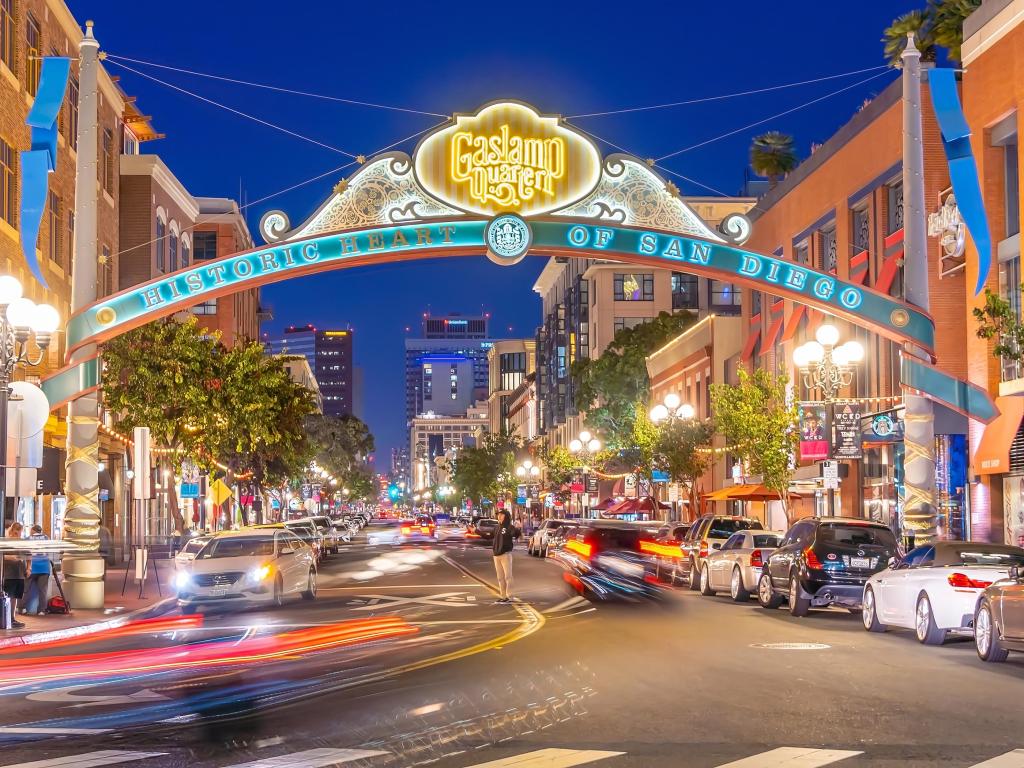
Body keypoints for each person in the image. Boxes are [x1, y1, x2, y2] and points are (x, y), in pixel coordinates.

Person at [492, 509, 520, 603]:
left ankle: (510, 596)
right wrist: (476, 531)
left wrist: (517, 530)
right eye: (498, 515)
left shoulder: (509, 527)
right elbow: (488, 535)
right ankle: (503, 596)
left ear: (506, 516)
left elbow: (515, 533)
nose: (499, 516)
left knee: (508, 576)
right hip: (496, 555)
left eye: (501, 515)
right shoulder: (497, 527)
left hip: (505, 554)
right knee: (500, 577)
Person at [23, 525, 51, 616]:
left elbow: (26, 553)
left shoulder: (27, 539)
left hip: (31, 567)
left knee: (25, 589)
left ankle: (22, 608)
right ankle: (41, 610)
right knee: (42, 590)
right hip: (44, 568)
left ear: (32, 530)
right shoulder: (46, 538)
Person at [2, 522, 26, 628]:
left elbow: (28, 554)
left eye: (20, 533)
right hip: (8, 574)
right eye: (16, 533)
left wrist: (28, 568)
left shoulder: (21, 542)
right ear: (11, 531)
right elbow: (2, 556)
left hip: (19, 573)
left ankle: (12, 618)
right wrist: (12, 558)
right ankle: (7, 618)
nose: (18, 536)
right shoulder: (5, 542)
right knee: (9, 596)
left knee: (15, 596)